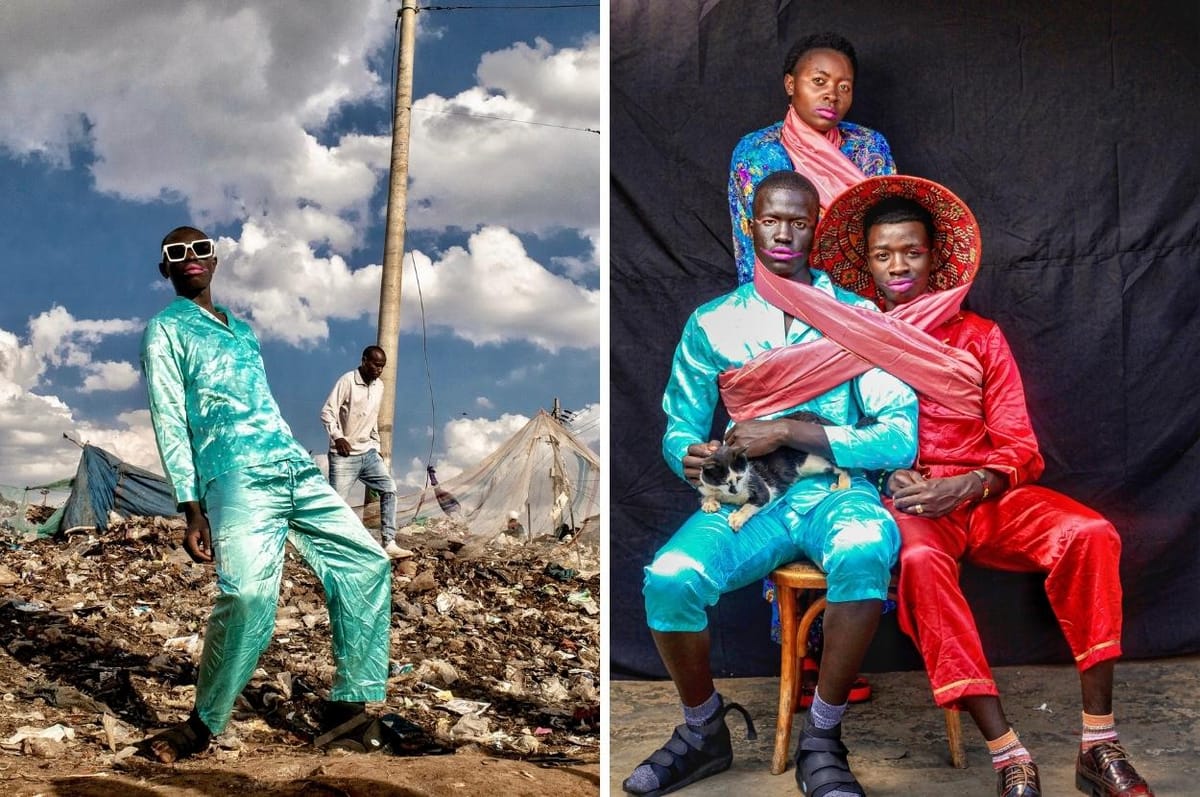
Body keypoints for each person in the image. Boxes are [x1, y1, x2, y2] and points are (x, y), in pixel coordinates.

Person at [801, 175, 1153, 797]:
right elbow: (824, 434)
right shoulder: (847, 341)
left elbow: (1019, 443)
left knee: (1090, 534)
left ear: (935, 257)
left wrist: (969, 483)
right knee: (917, 561)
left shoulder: (980, 336)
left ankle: (1099, 743)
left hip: (985, 492)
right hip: (904, 502)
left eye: (911, 251)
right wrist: (884, 474)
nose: (898, 265)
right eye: (883, 254)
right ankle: (1008, 752)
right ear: (866, 263)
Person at [622, 171, 918, 797]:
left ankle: (822, 737)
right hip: (746, 494)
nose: (784, 233)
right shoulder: (713, 323)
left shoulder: (857, 318)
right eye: (771, 219)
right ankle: (704, 731)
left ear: (818, 228)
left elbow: (898, 438)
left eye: (799, 221)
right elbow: (678, 426)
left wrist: (788, 430)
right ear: (750, 224)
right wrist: (690, 453)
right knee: (671, 577)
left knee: (867, 548)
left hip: (835, 489)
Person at [138, 226, 394, 762]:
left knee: (367, 561)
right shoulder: (164, 330)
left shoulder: (242, 330)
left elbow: (262, 404)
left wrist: (299, 457)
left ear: (215, 259)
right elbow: (168, 416)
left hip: (292, 464)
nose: (190, 258)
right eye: (176, 253)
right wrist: (191, 505)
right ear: (165, 268)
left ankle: (349, 709)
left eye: (200, 249)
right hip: (234, 474)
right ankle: (202, 724)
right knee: (249, 596)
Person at [729, 31, 896, 285]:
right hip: (785, 293)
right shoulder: (757, 152)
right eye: (819, 81)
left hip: (863, 296)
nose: (832, 95)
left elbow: (892, 228)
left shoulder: (869, 145)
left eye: (844, 87)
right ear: (790, 84)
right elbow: (753, 245)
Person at [320, 346, 408, 559]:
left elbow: (373, 419)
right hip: (344, 455)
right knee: (337, 503)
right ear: (364, 360)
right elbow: (327, 412)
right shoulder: (348, 381)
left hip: (368, 452)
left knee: (389, 489)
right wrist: (337, 437)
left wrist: (376, 449)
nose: (379, 370)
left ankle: (389, 542)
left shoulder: (380, 386)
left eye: (382, 367)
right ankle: (331, 548)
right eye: (376, 365)